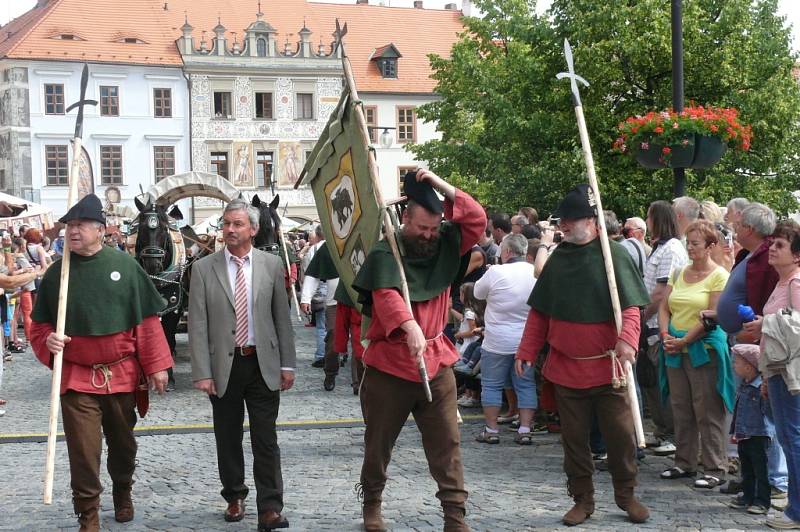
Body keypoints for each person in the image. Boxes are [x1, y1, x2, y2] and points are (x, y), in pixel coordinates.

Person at [351, 168, 485, 532]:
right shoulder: (385, 251)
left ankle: (454, 516)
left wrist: (441, 186)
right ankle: (372, 506)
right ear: (405, 216)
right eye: (421, 227)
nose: (427, 235)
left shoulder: (445, 242)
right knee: (378, 445)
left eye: (433, 227)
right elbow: (385, 294)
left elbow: (477, 219)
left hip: (437, 360)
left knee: (447, 444)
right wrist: (407, 324)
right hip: (391, 366)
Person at [29, 194, 172, 531]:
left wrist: (156, 365)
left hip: (121, 375)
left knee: (123, 446)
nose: (73, 231)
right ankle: (88, 514)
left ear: (101, 229)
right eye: (69, 226)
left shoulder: (124, 266)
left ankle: (123, 490)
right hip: (76, 378)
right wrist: (48, 341)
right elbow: (40, 327)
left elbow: (146, 322)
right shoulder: (56, 274)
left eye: (80, 225)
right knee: (83, 452)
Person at [514, 184, 651, 526]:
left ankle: (626, 494)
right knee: (574, 441)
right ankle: (583, 499)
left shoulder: (614, 255)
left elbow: (631, 307)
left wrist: (628, 342)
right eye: (563, 221)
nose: (564, 226)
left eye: (572, 220)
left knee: (620, 438)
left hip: (609, 368)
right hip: (565, 369)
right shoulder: (558, 258)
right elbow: (541, 313)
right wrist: (527, 349)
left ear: (591, 221)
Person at [188, 198, 296, 531]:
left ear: (253, 228)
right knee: (228, 436)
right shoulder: (204, 269)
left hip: (262, 363)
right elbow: (198, 324)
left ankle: (270, 507)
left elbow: (282, 317)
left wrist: (288, 364)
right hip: (225, 366)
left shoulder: (271, 265)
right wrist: (202, 372)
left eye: (237, 224)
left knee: (266, 438)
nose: (230, 230)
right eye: (226, 224)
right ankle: (234, 496)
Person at [658, 220, 734, 489]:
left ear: (711, 246)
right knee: (680, 407)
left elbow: (712, 316)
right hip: (675, 348)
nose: (689, 248)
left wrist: (684, 341)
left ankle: (715, 467)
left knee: (707, 409)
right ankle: (684, 461)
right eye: (687, 242)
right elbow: (664, 306)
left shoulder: (719, 276)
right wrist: (667, 336)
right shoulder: (678, 272)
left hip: (704, 349)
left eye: (695, 243)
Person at [740, 221, 800, 530]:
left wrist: (765, 324)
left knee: (793, 440)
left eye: (780, 245)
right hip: (777, 370)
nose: (772, 250)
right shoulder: (781, 282)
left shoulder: (796, 283)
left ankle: (797, 511)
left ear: (797, 255)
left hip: (792, 374)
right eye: (772, 243)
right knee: (789, 439)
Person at [474, 233, 537, 445]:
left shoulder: (497, 272)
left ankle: (491, 430)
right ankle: (525, 429)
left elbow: (477, 293)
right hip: (526, 340)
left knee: (491, 385)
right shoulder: (534, 272)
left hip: (497, 341)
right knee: (526, 384)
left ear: (507, 251)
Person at [641, 201, 688, 455]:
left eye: (649, 216)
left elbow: (661, 292)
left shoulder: (671, 249)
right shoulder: (658, 248)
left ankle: (671, 433)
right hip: (649, 324)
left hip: (657, 324)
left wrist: (641, 317)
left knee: (664, 382)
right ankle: (661, 430)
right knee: (651, 381)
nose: (647, 221)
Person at [727, 344, 773, 515]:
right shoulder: (744, 386)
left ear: (748, 366)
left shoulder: (761, 388)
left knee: (761, 470)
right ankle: (748, 496)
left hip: (759, 434)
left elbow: (768, 413)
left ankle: (762, 500)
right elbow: (739, 411)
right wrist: (735, 432)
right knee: (747, 468)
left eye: (737, 363)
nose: (734, 365)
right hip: (744, 434)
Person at [300, 240, 340, 391]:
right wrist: (305, 298)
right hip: (334, 302)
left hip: (359, 301)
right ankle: (330, 373)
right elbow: (314, 274)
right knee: (333, 337)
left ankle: (359, 381)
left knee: (359, 341)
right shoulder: (328, 245)